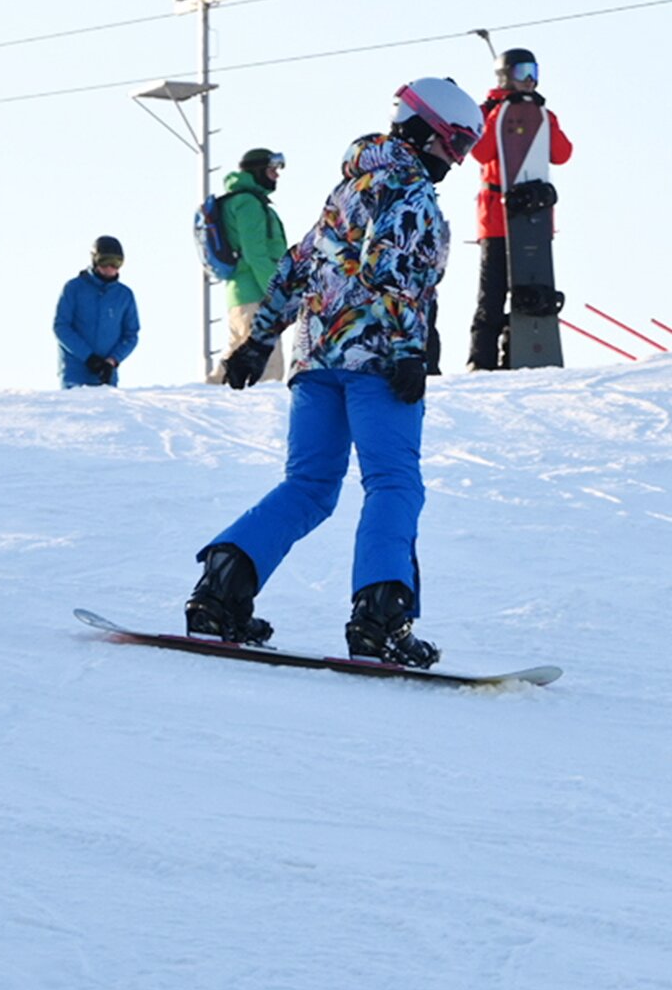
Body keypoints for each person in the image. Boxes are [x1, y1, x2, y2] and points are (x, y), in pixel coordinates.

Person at [184, 76, 484, 666]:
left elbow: (299, 264)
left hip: (316, 361)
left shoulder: (349, 188)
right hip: (376, 364)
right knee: (393, 482)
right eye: (455, 145)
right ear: (427, 132)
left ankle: (221, 593)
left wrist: (258, 338)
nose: (457, 160)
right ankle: (381, 618)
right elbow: (388, 269)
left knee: (310, 486)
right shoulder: (411, 193)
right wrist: (406, 349)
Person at [466, 47, 573, 370]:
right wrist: (501, 113)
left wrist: (545, 119)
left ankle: (518, 354)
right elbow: (481, 153)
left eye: (534, 72)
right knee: (493, 294)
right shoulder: (488, 112)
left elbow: (561, 153)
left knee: (529, 288)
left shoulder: (539, 113)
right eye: (521, 72)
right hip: (497, 220)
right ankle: (481, 361)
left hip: (533, 219)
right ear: (505, 76)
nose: (529, 80)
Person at [206, 148, 289, 385]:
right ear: (258, 170)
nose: (276, 176)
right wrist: (277, 293)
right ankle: (261, 415)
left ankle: (206, 397)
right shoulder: (248, 204)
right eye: (272, 170)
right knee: (268, 365)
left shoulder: (246, 201)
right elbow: (256, 254)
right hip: (255, 292)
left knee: (238, 355)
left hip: (243, 293)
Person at [53, 235, 140, 388]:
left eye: (116, 263)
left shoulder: (124, 296)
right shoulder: (74, 289)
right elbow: (61, 327)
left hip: (106, 377)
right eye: (105, 262)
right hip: (75, 374)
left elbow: (131, 334)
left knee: (106, 412)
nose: (110, 268)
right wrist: (88, 357)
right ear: (95, 260)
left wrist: (112, 361)